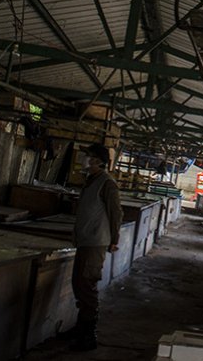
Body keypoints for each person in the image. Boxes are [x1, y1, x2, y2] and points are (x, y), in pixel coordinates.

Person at [60, 143, 123, 351]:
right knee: (79, 283)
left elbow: (116, 213)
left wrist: (114, 239)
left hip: (96, 242)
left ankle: (89, 335)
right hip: (86, 240)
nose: (83, 158)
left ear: (97, 161)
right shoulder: (90, 181)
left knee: (87, 285)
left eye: (88, 155)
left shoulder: (107, 184)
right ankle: (81, 327)